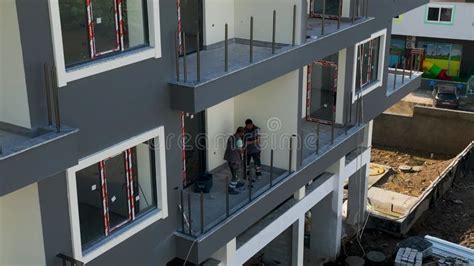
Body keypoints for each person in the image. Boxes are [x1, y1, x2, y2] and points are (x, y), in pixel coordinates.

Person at [224, 127, 246, 194]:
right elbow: (241, 151)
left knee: (235, 173)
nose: (243, 134)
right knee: (236, 175)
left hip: (229, 158)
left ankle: (237, 183)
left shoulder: (231, 137)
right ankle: (231, 189)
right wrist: (244, 147)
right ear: (241, 133)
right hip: (235, 160)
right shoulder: (239, 140)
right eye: (243, 133)